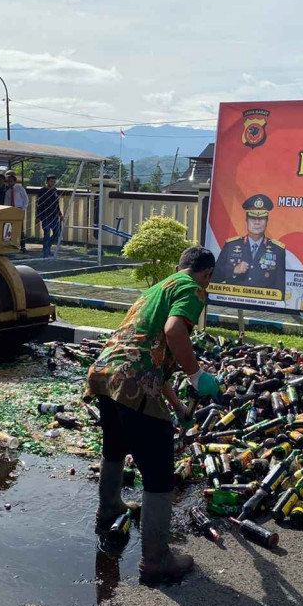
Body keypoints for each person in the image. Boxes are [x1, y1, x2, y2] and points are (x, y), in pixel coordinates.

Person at [85, 246, 220, 584]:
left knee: (116, 447)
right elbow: (175, 332)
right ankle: (157, 558)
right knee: (159, 467)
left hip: (106, 373)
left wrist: (176, 407)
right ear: (206, 273)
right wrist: (196, 374)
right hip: (133, 380)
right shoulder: (192, 288)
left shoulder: (156, 290)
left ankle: (110, 510)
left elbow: (152, 356)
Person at [212, 193, 296, 295]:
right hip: (233, 305)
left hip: (262, 307)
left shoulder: (277, 250)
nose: (257, 222)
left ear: (267, 222)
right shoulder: (231, 245)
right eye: (252, 218)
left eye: (261, 219)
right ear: (246, 222)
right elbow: (214, 276)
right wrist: (234, 270)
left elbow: (279, 286)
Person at [36, 174, 63, 258]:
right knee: (47, 234)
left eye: (54, 182)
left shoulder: (55, 190)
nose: (53, 183)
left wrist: (60, 214)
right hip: (45, 216)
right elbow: (39, 204)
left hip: (54, 216)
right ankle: (45, 252)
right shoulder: (42, 191)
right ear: (47, 182)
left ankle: (47, 248)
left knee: (57, 234)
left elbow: (57, 204)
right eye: (51, 181)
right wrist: (38, 216)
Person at [4, 169, 29, 253]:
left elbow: (25, 199)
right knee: (11, 228)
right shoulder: (7, 191)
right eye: (8, 181)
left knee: (20, 228)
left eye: (11, 181)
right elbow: (6, 203)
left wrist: (23, 209)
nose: (10, 182)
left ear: (14, 181)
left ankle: (23, 246)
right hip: (11, 210)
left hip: (19, 208)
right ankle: (13, 245)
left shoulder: (20, 188)